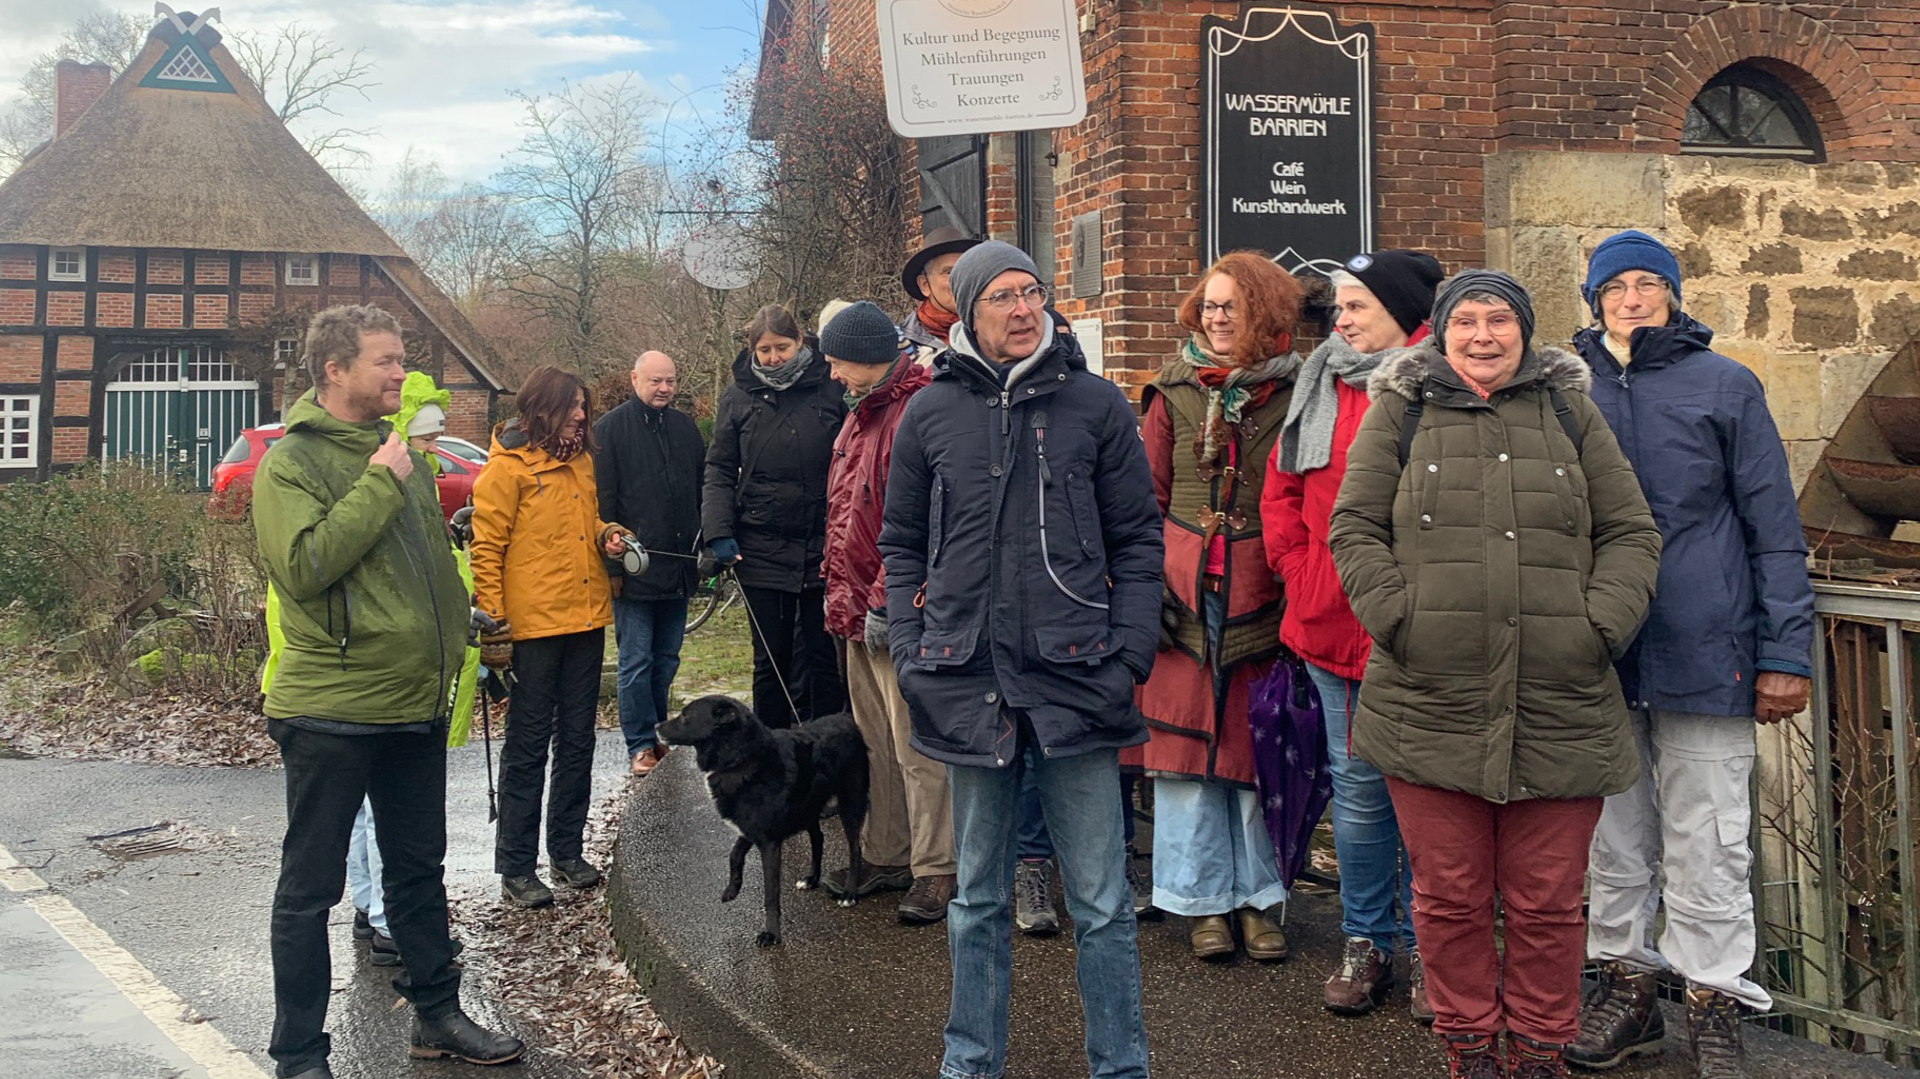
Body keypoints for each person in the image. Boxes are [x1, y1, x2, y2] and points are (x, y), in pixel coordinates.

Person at [1328, 270, 1662, 1079]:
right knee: (1449, 898)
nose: (1483, 335)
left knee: (1550, 902)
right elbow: (1355, 526)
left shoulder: (1567, 410)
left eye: (1500, 321)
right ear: (1441, 333)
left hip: (1561, 694)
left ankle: (1543, 1048)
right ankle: (1470, 1047)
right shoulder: (1401, 412)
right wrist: (1400, 619)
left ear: (1525, 331)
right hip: (1429, 698)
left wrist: (1599, 627)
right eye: (1467, 321)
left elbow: (1630, 530)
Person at [879, 241, 1162, 1079]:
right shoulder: (929, 413)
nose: (1021, 308)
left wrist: (1131, 653)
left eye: (1031, 291)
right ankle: (969, 1064)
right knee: (976, 901)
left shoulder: (1096, 405)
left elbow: (1138, 539)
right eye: (1001, 295)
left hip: (1079, 677)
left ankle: (1122, 1066)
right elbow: (899, 543)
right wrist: (910, 646)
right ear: (969, 311)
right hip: (967, 680)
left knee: (1104, 903)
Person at [252, 304, 521, 1078]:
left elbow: (415, 563)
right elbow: (305, 567)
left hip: (412, 698)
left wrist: (461, 618)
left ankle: (436, 1015)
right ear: (334, 370)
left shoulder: (392, 449)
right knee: (311, 886)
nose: (401, 373)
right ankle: (299, 1053)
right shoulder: (292, 462)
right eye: (386, 361)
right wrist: (378, 485)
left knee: (417, 869)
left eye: (402, 360)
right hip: (331, 707)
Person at [1569, 232, 1814, 1079]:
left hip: (1708, 640)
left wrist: (1788, 651)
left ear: (1673, 295)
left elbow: (1774, 531)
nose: (1632, 299)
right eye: (1616, 287)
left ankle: (1713, 998)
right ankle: (1628, 986)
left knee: (1710, 833)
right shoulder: (1569, 389)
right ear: (1594, 299)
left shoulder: (1727, 385)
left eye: (1649, 284)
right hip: (1600, 646)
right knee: (1612, 831)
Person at [1266, 250, 1444, 1018]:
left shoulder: (1445, 381)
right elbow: (1284, 491)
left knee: (1435, 796)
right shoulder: (1324, 382)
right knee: (1362, 793)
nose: (1340, 320)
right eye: (1337, 306)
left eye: (1357, 306)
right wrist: (1299, 568)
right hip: (1333, 619)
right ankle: (1367, 939)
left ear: (1405, 313)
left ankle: (1439, 950)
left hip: (1430, 626)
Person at [1131, 251, 1300, 963]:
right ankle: (1200, 900)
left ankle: (1261, 899)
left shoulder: (1296, 393)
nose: (1219, 317)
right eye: (1210, 305)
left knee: (1253, 751)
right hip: (1183, 587)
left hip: (1264, 585)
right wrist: (1153, 589)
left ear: (1264, 313)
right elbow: (1144, 500)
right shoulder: (1170, 393)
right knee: (1185, 752)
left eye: (1233, 306)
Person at [471, 365, 633, 909]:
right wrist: (493, 624)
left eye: (584, 408)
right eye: (572, 408)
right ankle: (516, 867)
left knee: (579, 742)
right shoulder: (506, 470)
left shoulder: (583, 462)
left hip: (585, 622)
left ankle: (566, 851)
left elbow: (582, 526)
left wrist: (608, 534)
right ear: (542, 409)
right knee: (527, 747)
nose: (583, 416)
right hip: (533, 630)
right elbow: (486, 549)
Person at [817, 299, 955, 921]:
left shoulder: (916, 411)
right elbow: (846, 512)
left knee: (917, 747)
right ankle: (888, 852)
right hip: (853, 611)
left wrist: (885, 601)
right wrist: (838, 589)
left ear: (870, 358)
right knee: (875, 742)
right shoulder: (857, 415)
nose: (831, 375)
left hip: (897, 612)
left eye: (838, 362)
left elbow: (922, 522)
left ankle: (937, 869)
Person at [701, 305, 848, 728]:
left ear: (800, 341)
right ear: (752, 351)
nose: (773, 358)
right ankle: (770, 749)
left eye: (782, 347)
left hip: (823, 541)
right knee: (770, 660)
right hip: (760, 545)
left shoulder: (830, 386)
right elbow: (720, 468)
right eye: (764, 350)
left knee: (824, 657)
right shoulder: (737, 396)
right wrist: (718, 531)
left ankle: (828, 746)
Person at [593, 350, 706, 777]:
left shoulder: (685, 429)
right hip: (635, 573)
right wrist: (614, 571)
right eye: (656, 381)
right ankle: (639, 743)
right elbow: (602, 507)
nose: (664, 388)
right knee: (635, 662)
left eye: (670, 381)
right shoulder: (609, 432)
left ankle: (660, 734)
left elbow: (700, 490)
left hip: (679, 569)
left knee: (667, 659)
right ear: (635, 378)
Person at [900, 225, 982, 365]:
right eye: (949, 273)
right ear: (925, 285)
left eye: (966, 271)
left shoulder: (993, 331)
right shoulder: (902, 346)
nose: (960, 280)